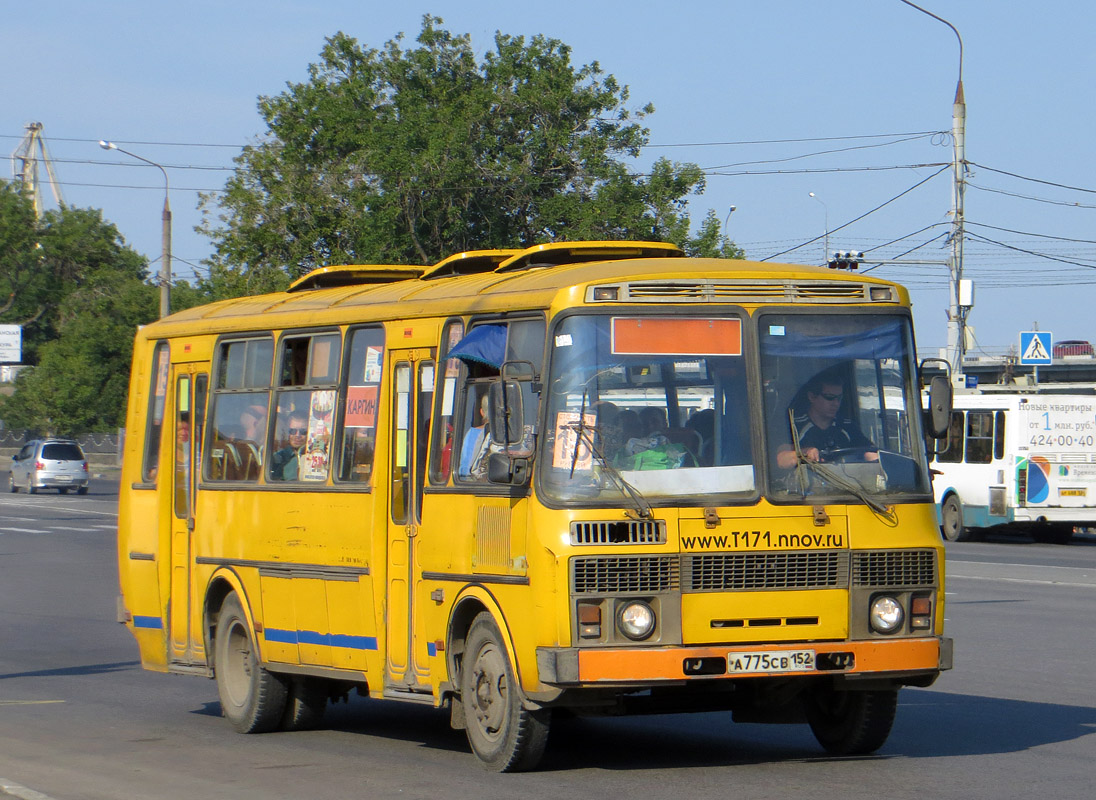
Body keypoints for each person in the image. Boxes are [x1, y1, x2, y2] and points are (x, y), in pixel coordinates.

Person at [776, 372, 878, 469]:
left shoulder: (847, 427)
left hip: (848, 485)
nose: (836, 403)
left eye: (839, 398)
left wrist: (875, 457)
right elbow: (781, 459)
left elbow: (869, 452)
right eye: (830, 397)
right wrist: (805, 453)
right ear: (812, 397)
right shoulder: (795, 425)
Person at [271, 411, 308, 481]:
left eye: (303, 431)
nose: (297, 435)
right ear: (287, 432)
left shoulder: (313, 456)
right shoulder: (278, 458)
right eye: (293, 431)